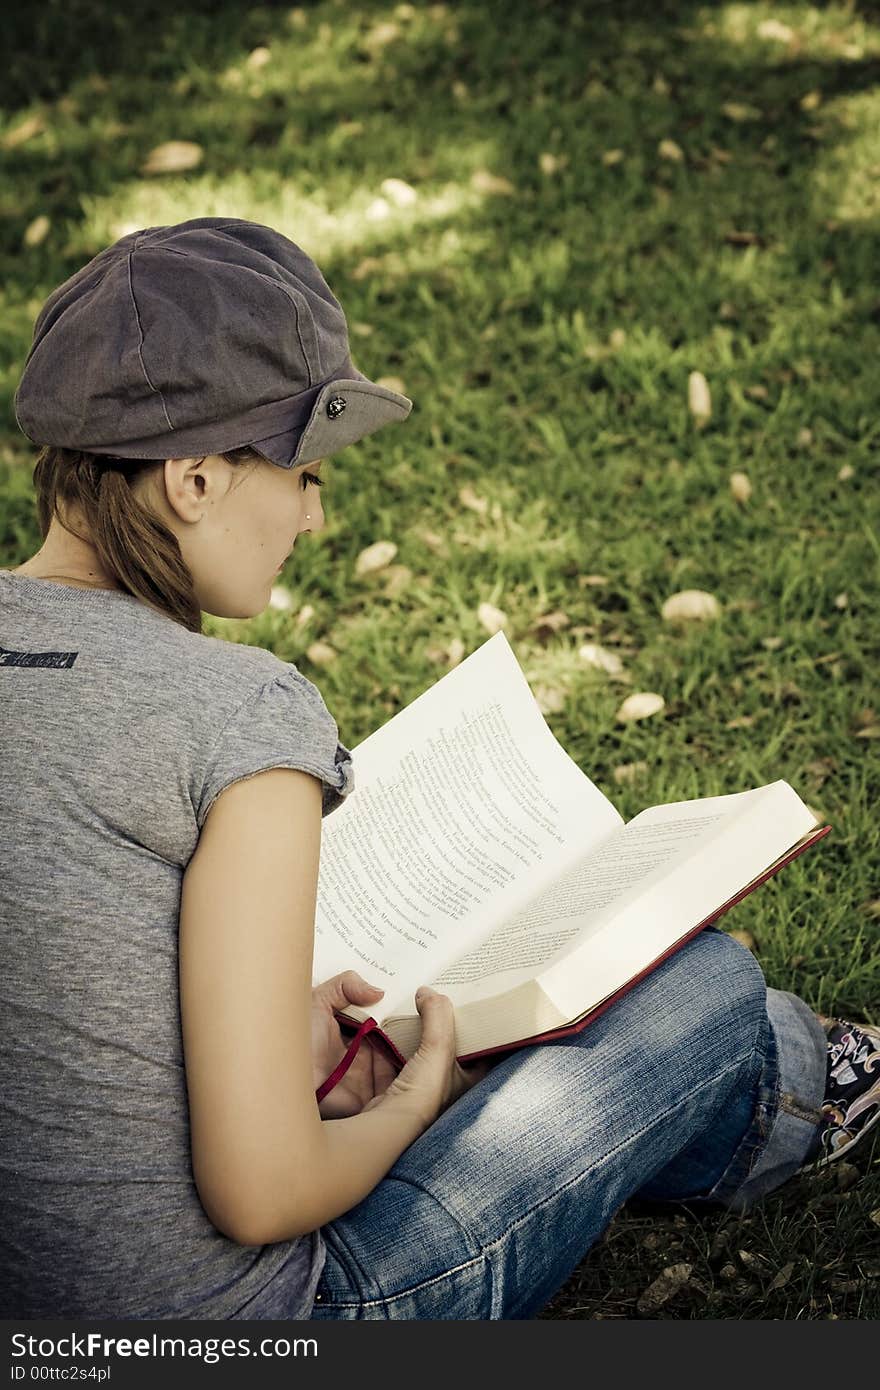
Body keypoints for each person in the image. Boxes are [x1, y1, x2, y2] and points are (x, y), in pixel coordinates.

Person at [1, 217, 877, 1322]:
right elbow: (264, 1193)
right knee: (706, 987)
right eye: (305, 473)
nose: (314, 515)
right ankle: (783, 1094)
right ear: (193, 480)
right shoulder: (237, 714)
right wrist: (418, 1101)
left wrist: (280, 1032)